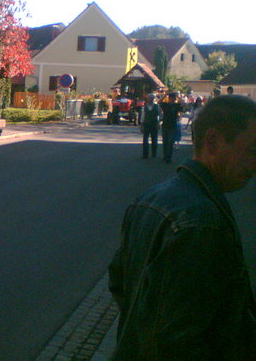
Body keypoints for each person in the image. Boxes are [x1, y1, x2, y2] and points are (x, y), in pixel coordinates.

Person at [108, 95, 256, 360]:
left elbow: (119, 282)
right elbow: (173, 343)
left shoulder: (153, 198)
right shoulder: (201, 223)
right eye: (253, 150)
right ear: (212, 141)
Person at [160, 92, 183, 163]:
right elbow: (159, 102)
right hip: (165, 125)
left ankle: (168, 157)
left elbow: (184, 103)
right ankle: (165, 155)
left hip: (173, 126)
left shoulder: (177, 105)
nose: (172, 99)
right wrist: (165, 95)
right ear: (169, 98)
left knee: (170, 142)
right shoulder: (165, 104)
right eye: (171, 98)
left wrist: (178, 96)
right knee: (165, 142)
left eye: (174, 98)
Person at [140, 93, 161, 159]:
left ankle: (154, 153)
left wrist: (158, 123)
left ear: (153, 99)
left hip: (154, 124)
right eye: (149, 98)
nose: (150, 99)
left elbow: (159, 116)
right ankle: (145, 154)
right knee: (145, 140)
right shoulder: (145, 107)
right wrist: (141, 125)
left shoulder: (157, 106)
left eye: (151, 98)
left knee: (154, 140)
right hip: (146, 124)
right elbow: (143, 116)